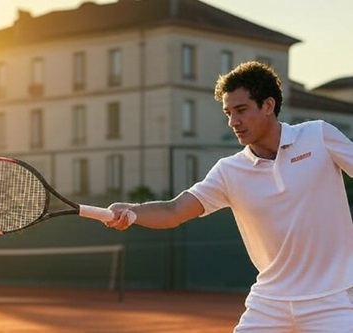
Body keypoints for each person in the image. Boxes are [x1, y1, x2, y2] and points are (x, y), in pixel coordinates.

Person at [106, 61, 353, 332]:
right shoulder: (229, 171)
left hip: (332, 300)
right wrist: (133, 210)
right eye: (228, 113)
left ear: (268, 106)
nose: (233, 121)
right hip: (269, 303)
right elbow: (174, 211)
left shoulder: (318, 135)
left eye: (241, 110)